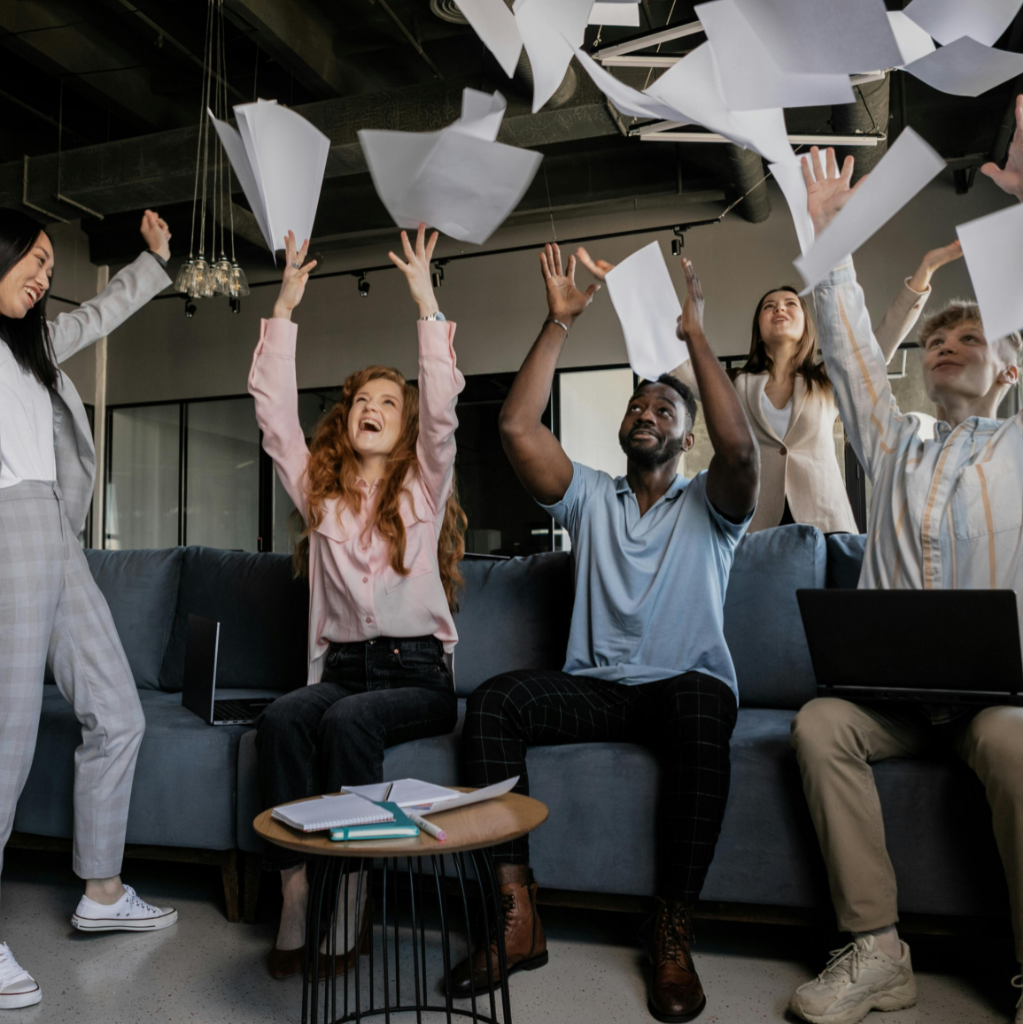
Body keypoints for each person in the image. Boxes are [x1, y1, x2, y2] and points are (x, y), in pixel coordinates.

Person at [452, 243, 759, 1022]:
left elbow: (741, 449)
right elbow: (517, 425)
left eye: (664, 411)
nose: (645, 414)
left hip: (681, 689)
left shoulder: (712, 508)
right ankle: (518, 920)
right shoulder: (588, 495)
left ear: (683, 439)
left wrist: (693, 341)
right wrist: (557, 324)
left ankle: (670, 930)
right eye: (636, 407)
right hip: (595, 689)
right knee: (490, 704)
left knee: (700, 704)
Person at [788, 101, 1023, 1024]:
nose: (945, 346)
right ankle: (877, 951)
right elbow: (848, 352)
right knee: (816, 724)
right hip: (890, 702)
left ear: (1007, 365)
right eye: (935, 339)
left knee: (1014, 745)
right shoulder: (895, 444)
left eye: (969, 339)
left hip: (995, 704)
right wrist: (829, 234)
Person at [250, 225, 465, 979]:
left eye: (387, 401)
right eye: (360, 400)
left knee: (347, 722)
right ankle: (296, 889)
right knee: (279, 719)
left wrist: (423, 298)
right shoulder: (321, 495)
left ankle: (353, 893)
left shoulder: (424, 486)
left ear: (403, 427)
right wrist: (284, 303)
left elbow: (442, 412)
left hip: (416, 679)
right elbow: (274, 416)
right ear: (345, 420)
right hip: (339, 669)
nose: (371, 406)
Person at [0, 209, 178, 1010]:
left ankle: (101, 892)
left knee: (118, 710)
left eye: (46, 264)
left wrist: (153, 259)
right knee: (4, 745)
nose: (41, 277)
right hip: (5, 529)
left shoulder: (33, 351)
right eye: (30, 263)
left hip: (56, 536)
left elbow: (97, 313)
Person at [576, 241, 962, 534]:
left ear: (805, 324)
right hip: (758, 523)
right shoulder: (737, 386)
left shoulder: (827, 381)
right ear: (759, 327)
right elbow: (675, 353)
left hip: (826, 522)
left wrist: (923, 274)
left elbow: (880, 341)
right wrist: (625, 285)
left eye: (790, 304)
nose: (779, 309)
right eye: (769, 306)